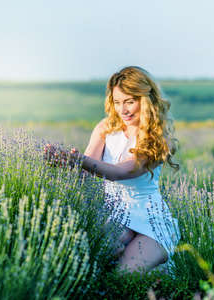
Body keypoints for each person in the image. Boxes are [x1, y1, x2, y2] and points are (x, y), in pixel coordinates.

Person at [44, 66, 180, 274]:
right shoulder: (105, 127)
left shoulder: (160, 140)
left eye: (129, 102)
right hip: (114, 215)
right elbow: (86, 171)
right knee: (89, 263)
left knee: (124, 275)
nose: (122, 110)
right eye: (117, 102)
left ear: (146, 100)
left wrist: (78, 159)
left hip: (151, 220)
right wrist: (67, 164)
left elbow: (122, 172)